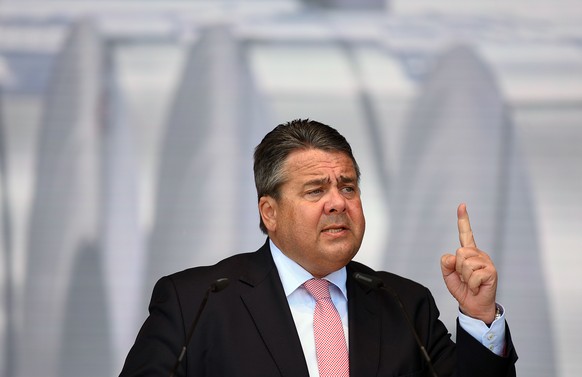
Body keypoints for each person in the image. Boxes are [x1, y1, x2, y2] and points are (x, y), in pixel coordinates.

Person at [119, 119, 518, 376]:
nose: (338, 202)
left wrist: (479, 316)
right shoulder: (197, 302)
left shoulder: (405, 305)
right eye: (316, 190)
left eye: (348, 187)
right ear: (269, 212)